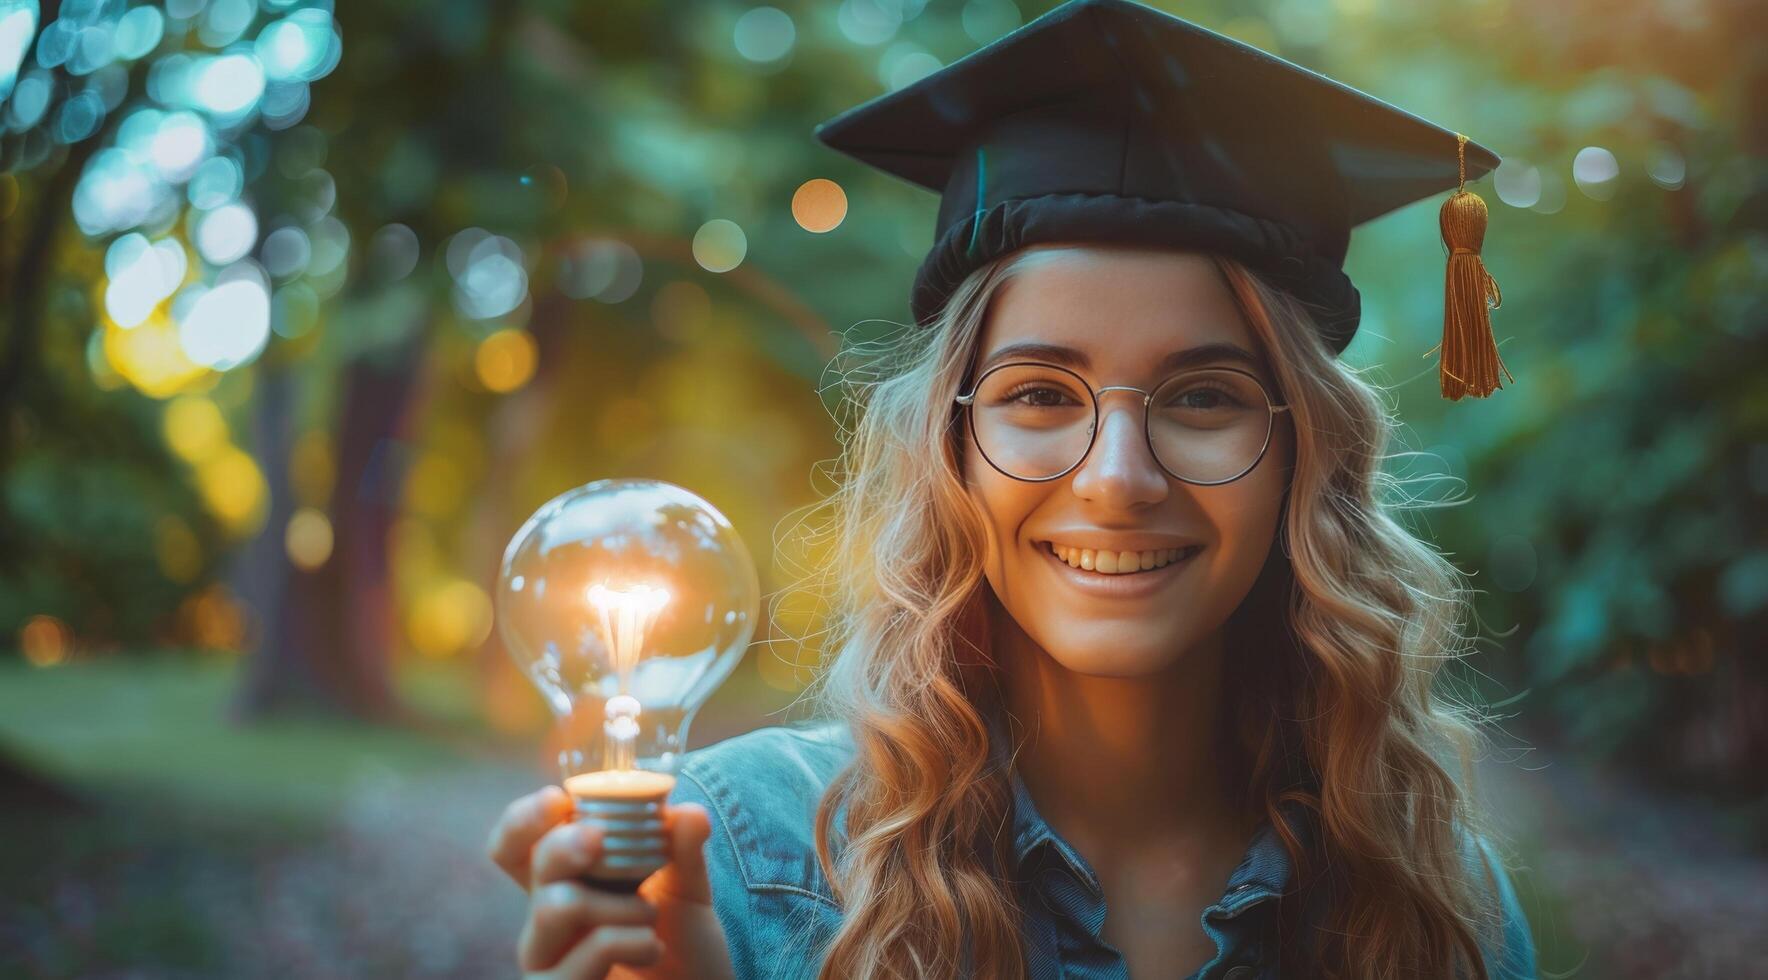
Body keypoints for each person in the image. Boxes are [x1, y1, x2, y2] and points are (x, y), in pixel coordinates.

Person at [486, 1, 1538, 977]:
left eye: (1204, 396)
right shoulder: (733, 871)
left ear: (1307, 453)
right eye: (1038, 393)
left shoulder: (1436, 904)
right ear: (950, 444)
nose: (1118, 479)